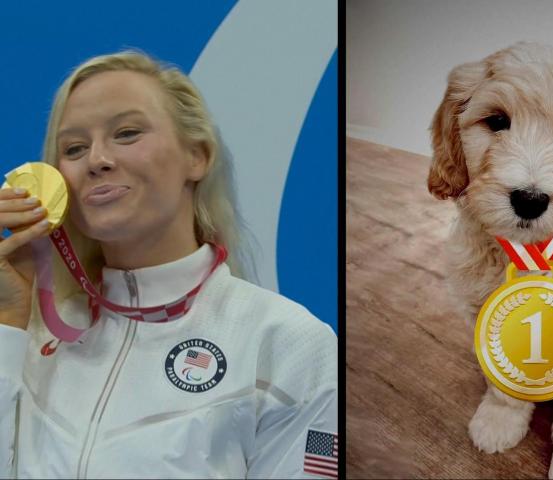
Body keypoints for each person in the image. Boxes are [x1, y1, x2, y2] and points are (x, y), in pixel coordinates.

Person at [0, 51, 337, 479]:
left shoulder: (288, 343)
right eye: (74, 147)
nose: (96, 159)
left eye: (126, 133)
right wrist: (8, 325)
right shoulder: (29, 338)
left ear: (196, 156)